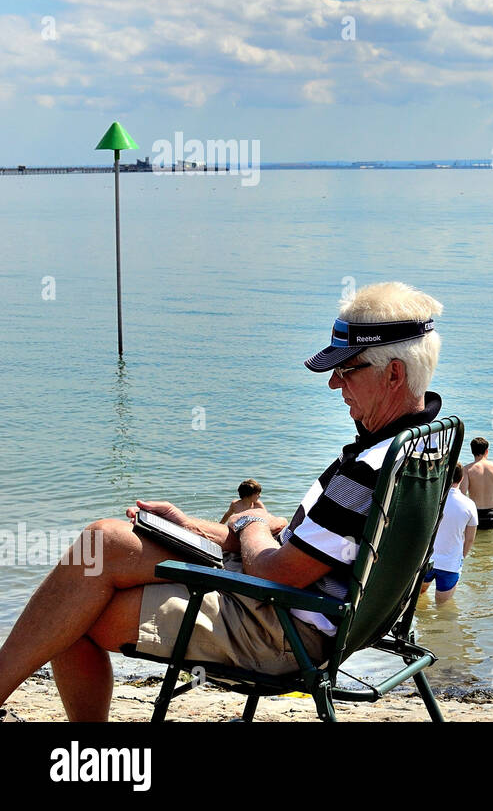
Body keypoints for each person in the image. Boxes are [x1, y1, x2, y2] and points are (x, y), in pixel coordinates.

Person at [0, 281, 445, 722]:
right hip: (312, 616)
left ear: (393, 374)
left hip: (285, 633)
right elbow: (312, 545)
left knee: (70, 618)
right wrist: (194, 526)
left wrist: (249, 522)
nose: (334, 384)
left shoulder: (367, 470)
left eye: (348, 370)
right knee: (102, 544)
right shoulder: (415, 449)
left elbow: (276, 571)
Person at [419, 464, 476, 603]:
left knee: (417, 600)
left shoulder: (433, 500)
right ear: (461, 478)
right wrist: (460, 557)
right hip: (450, 564)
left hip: (427, 560)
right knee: (442, 609)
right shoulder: (469, 505)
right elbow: (469, 539)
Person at [461, 436, 493, 530]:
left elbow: (462, 495)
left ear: (472, 452)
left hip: (476, 515)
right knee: (492, 544)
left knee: (475, 543)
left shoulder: (467, 470)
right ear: (486, 451)